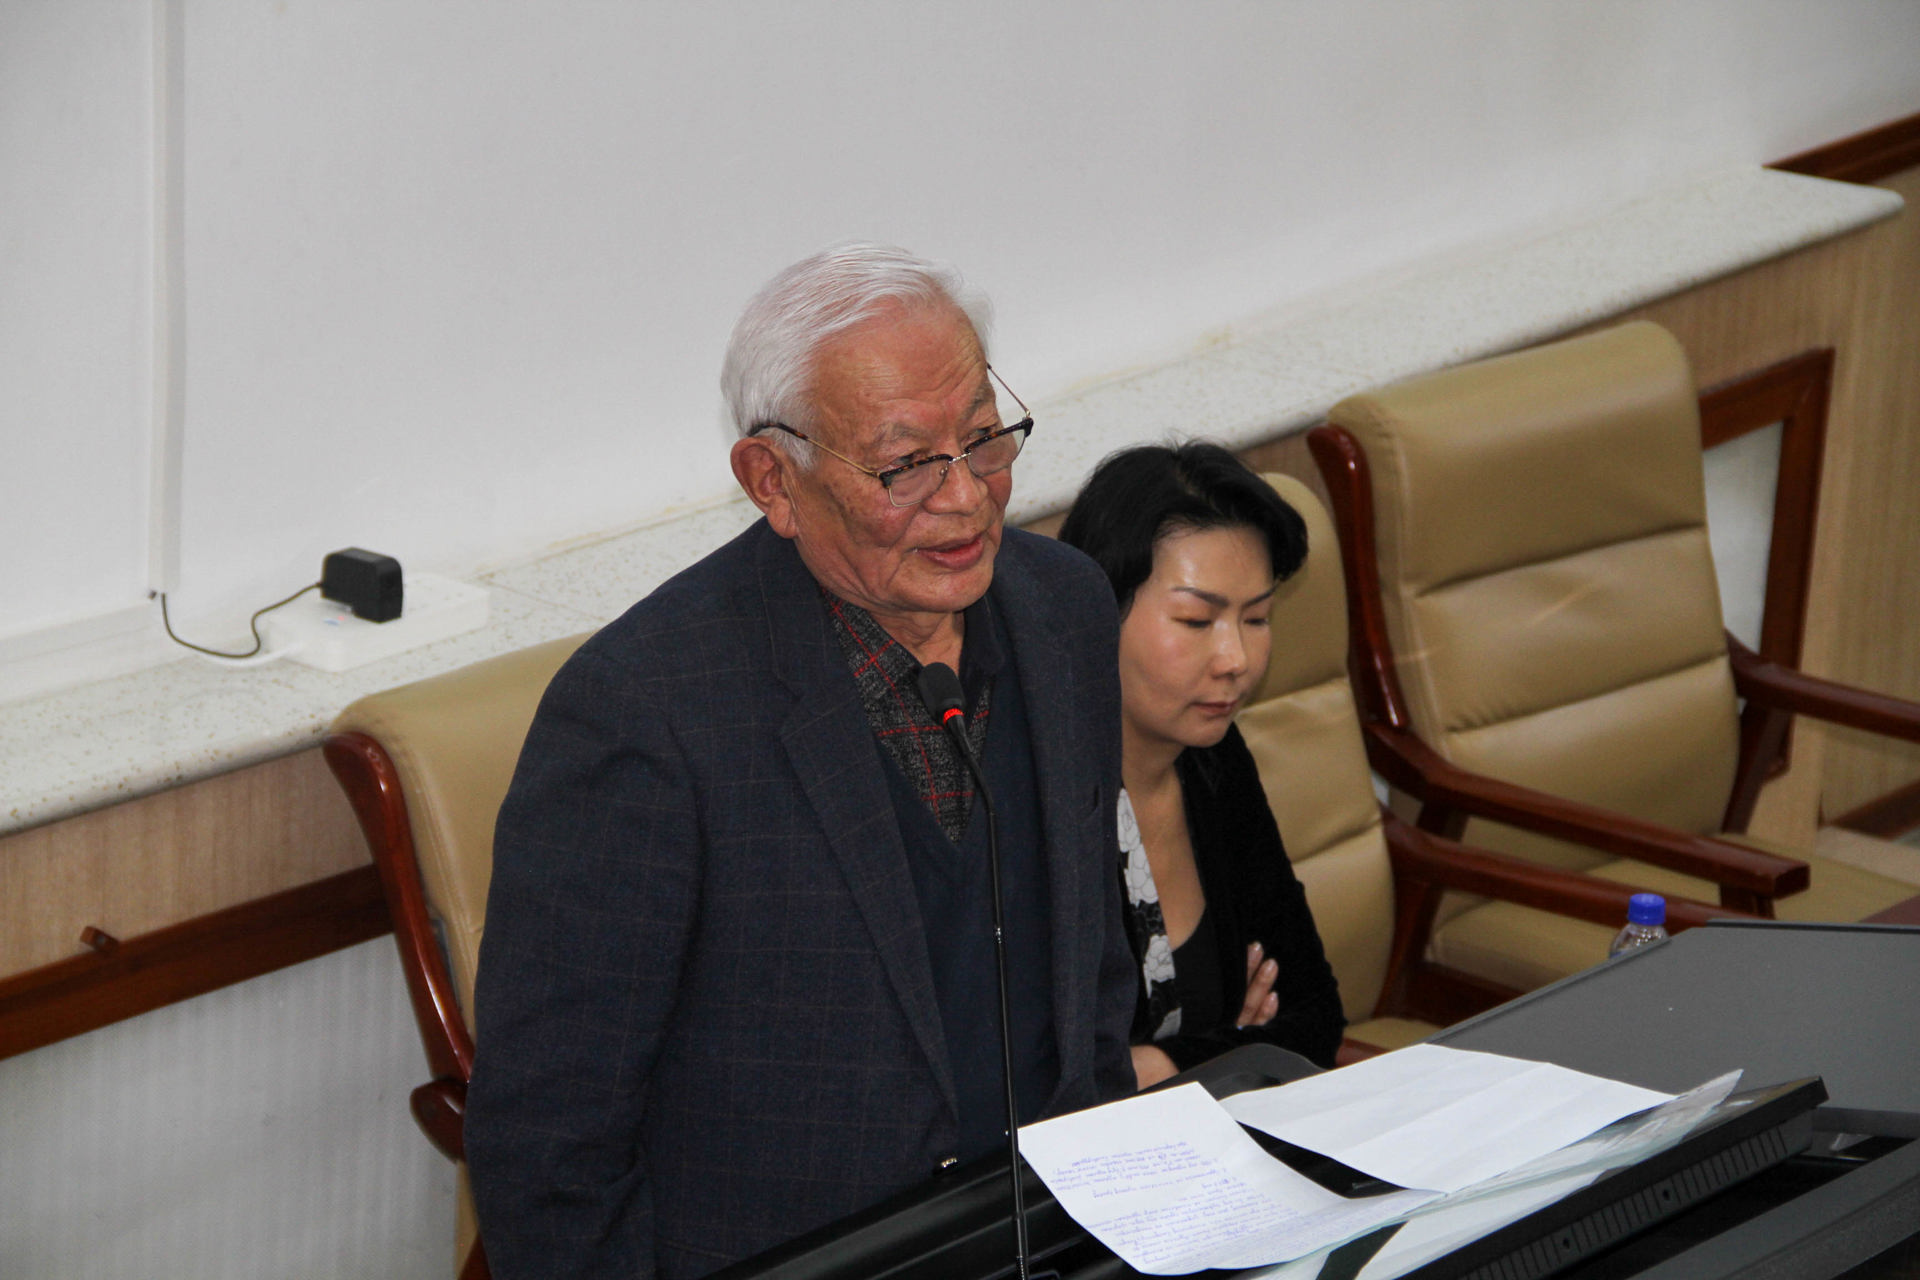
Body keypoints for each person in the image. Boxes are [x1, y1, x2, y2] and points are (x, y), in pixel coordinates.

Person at [464, 244, 1138, 1280]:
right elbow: (551, 1143)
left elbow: (1091, 976)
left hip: (1050, 1231)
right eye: (906, 464)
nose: (968, 497)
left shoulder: (1065, 608)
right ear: (773, 481)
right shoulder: (644, 714)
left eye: (984, 438)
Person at [1058, 443, 1346, 1087]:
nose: (1235, 659)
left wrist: (1172, 1064)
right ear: (1095, 609)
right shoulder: (1036, 799)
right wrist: (1232, 1049)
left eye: (1257, 617)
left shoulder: (1213, 760)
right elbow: (1056, 1087)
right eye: (1196, 620)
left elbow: (1314, 1018)